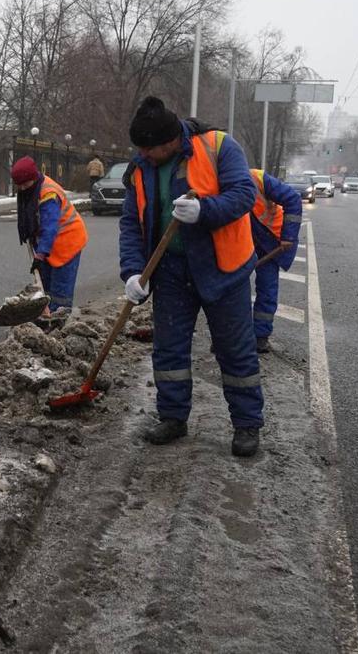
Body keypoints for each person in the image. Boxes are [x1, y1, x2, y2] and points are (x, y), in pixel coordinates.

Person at [119, 96, 265, 456]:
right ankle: (172, 417)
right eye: (141, 149)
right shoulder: (140, 168)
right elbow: (130, 223)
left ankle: (247, 425)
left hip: (223, 268)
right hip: (170, 270)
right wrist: (133, 272)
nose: (146, 155)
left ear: (170, 141)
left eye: (150, 149)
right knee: (168, 348)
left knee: (235, 350)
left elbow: (245, 195)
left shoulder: (218, 146)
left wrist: (205, 209)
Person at [11, 156, 88, 315]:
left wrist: (40, 255)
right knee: (45, 287)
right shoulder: (30, 190)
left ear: (33, 178)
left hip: (68, 242)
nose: (23, 189)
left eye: (26, 184)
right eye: (20, 186)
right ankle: (47, 316)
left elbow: (49, 227)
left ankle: (59, 322)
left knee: (60, 290)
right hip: (48, 243)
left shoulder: (48, 194)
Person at [248, 169, 302, 353]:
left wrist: (289, 235)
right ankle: (230, 335)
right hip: (245, 239)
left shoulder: (258, 179)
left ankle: (260, 336)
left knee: (267, 287)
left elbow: (293, 199)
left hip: (272, 240)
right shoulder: (216, 183)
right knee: (232, 289)